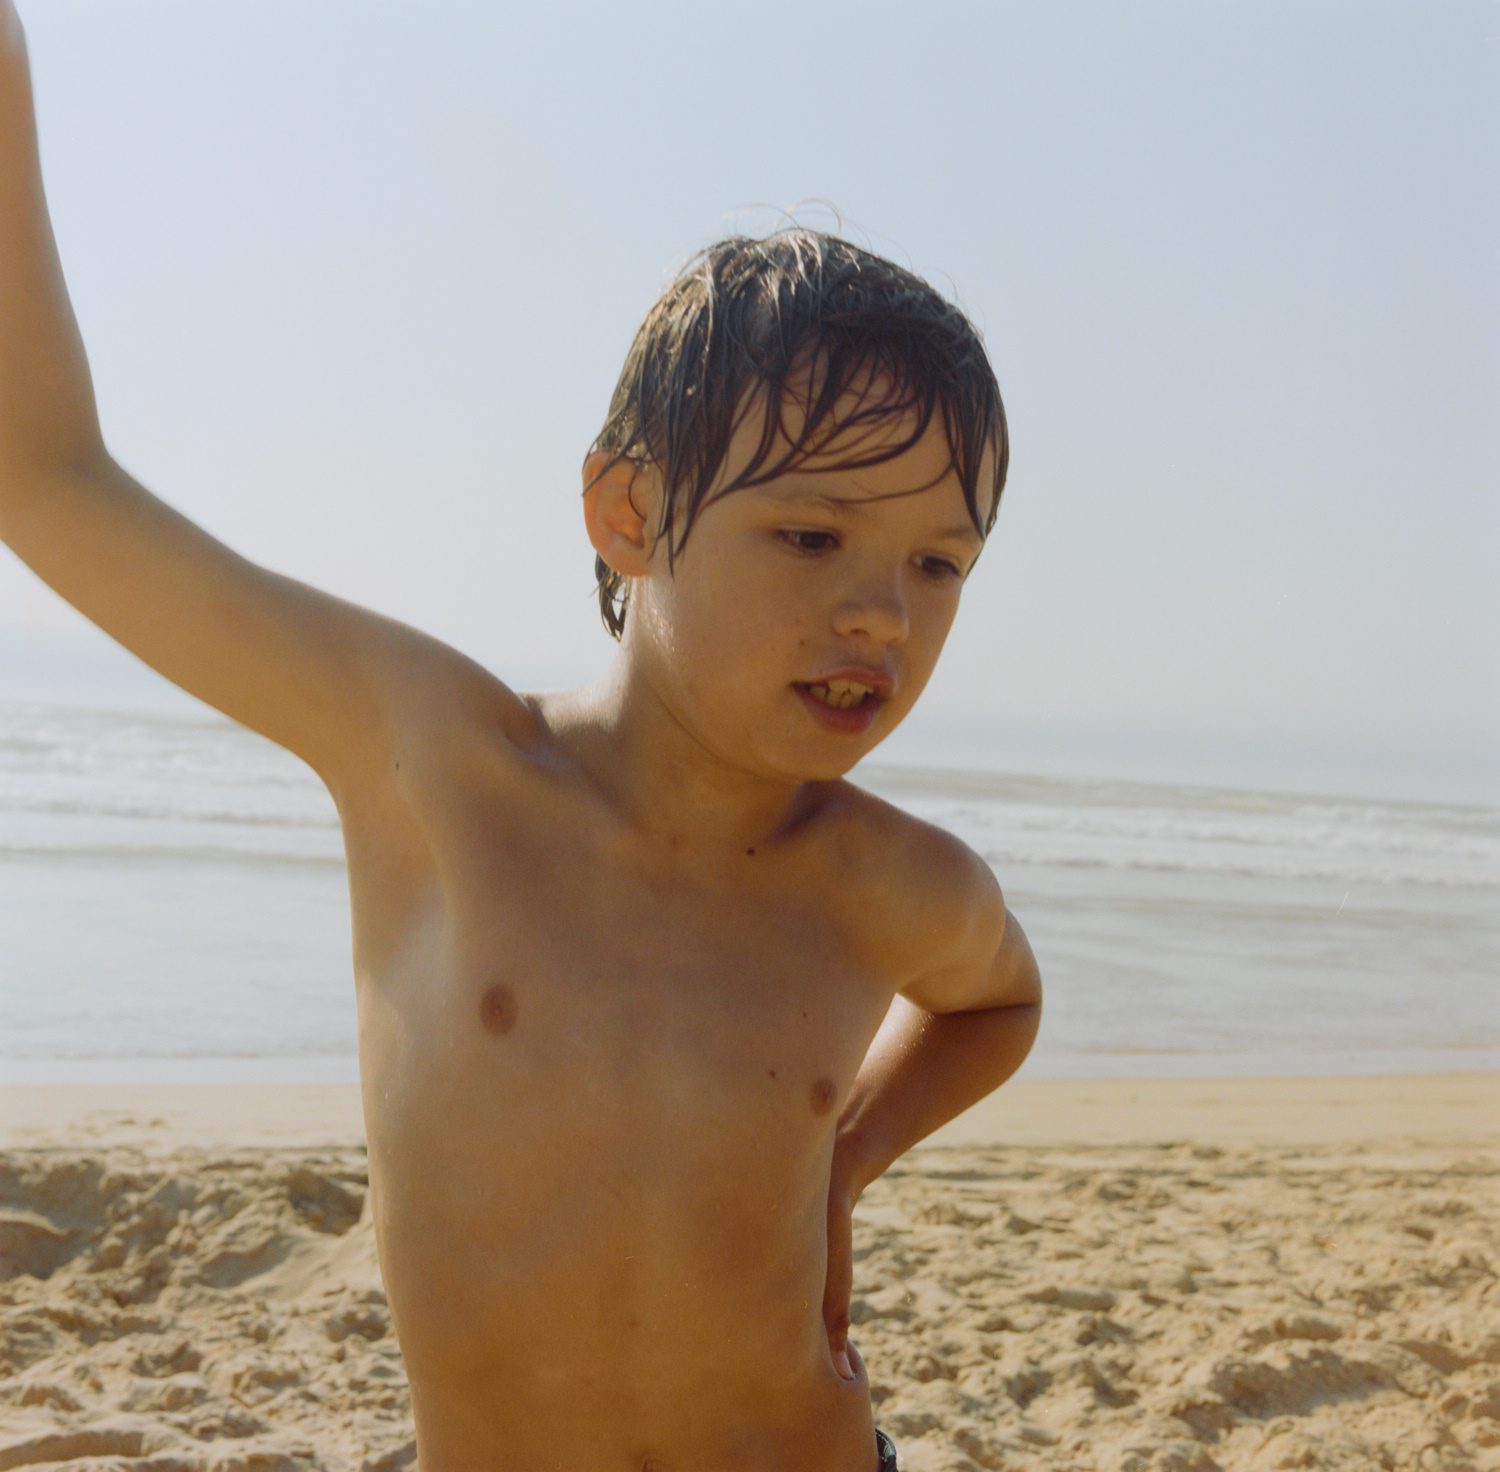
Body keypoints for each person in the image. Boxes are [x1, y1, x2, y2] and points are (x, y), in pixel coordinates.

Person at [0, 7, 1041, 1469]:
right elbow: (45, 481)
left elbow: (997, 1005)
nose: (882, 613)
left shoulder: (894, 885)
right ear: (629, 516)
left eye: (940, 566)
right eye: (812, 534)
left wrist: (849, 1157)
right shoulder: (438, 768)